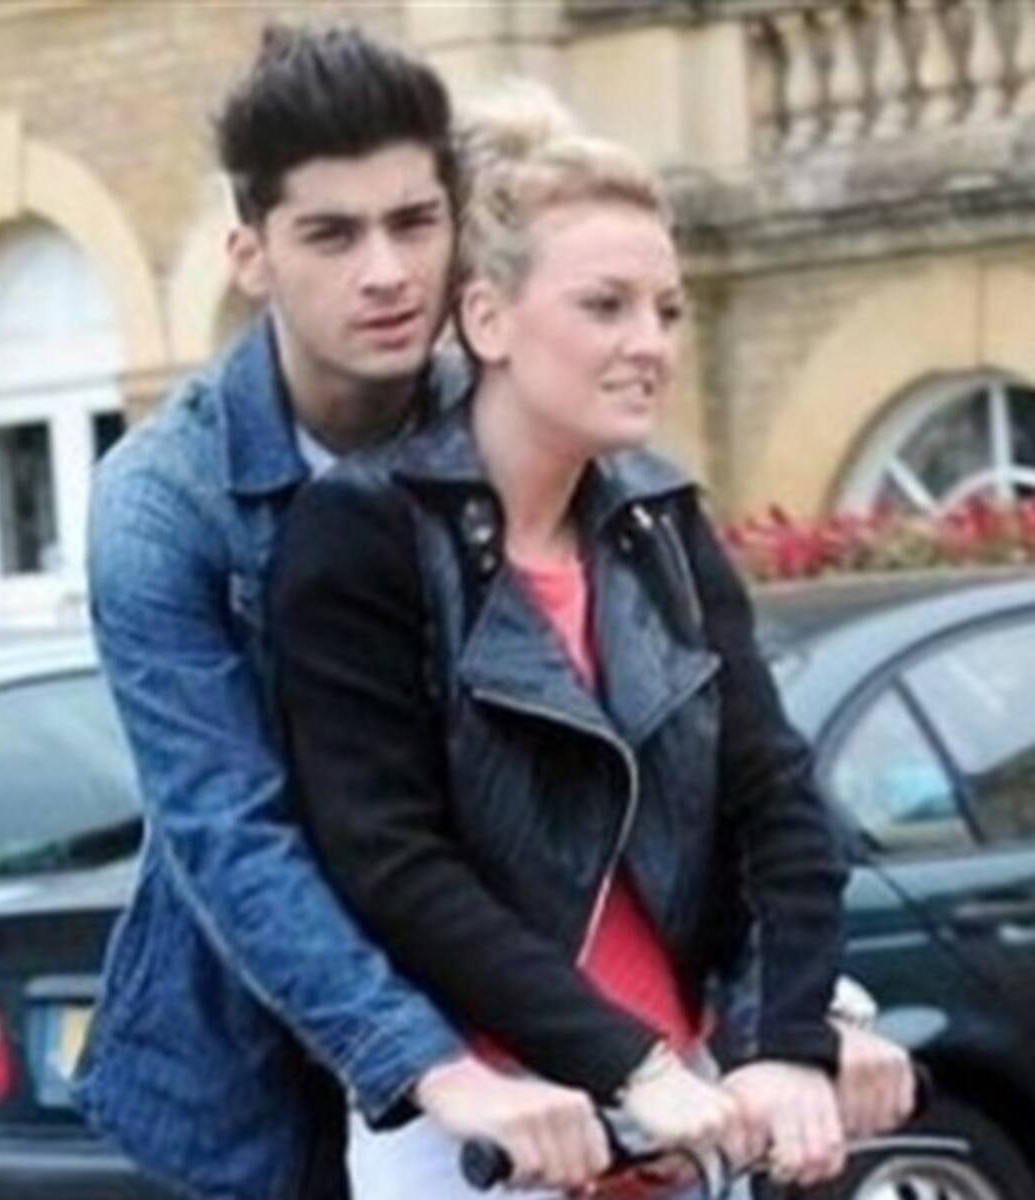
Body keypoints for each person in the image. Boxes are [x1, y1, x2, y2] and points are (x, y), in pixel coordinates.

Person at [267, 88, 915, 1199]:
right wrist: (624, 1063)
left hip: (690, 1116)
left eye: (667, 310)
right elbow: (391, 862)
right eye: (605, 306)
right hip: (488, 1128)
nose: (648, 344)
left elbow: (776, 805)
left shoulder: (662, 522)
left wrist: (790, 1038)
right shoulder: (367, 533)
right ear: (488, 319)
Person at [75, 28, 616, 1200]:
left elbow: (669, 725)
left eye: (414, 224)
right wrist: (424, 1063)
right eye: (332, 234)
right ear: (251, 254)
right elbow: (228, 829)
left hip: (531, 1037)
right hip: (265, 1080)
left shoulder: (517, 420)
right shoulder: (164, 501)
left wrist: (804, 999)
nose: (387, 272)